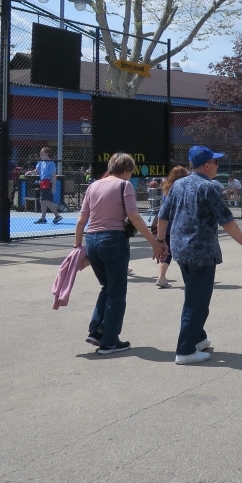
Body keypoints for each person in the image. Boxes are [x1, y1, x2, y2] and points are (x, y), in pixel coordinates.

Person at [156, 146, 242, 365]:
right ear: (207, 165)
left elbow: (163, 215)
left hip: (180, 248)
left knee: (194, 295)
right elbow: (227, 221)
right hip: (201, 250)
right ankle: (185, 350)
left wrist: (160, 241)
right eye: (216, 163)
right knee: (197, 301)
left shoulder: (178, 185)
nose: (218, 167)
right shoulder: (210, 188)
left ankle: (198, 338)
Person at [74, 152, 166, 354]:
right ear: (125, 170)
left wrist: (78, 248)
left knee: (107, 286)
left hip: (92, 240)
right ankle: (110, 341)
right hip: (113, 240)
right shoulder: (124, 186)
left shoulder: (93, 186)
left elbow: (81, 221)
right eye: (130, 173)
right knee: (117, 292)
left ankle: (97, 329)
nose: (130, 177)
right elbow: (133, 216)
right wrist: (154, 242)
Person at [152, 165, 188, 288]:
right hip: (176, 224)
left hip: (165, 224)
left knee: (166, 250)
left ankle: (161, 277)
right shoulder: (182, 188)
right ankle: (162, 277)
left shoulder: (166, 188)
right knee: (175, 251)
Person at [26, 148, 62, 224]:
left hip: (48, 182)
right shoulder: (40, 162)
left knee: (44, 200)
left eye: (42, 152)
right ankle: (43, 218)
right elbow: (36, 172)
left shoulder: (51, 163)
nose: (40, 154)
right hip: (42, 182)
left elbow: (53, 175)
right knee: (42, 201)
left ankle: (57, 215)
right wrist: (30, 172)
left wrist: (54, 186)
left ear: (47, 153)